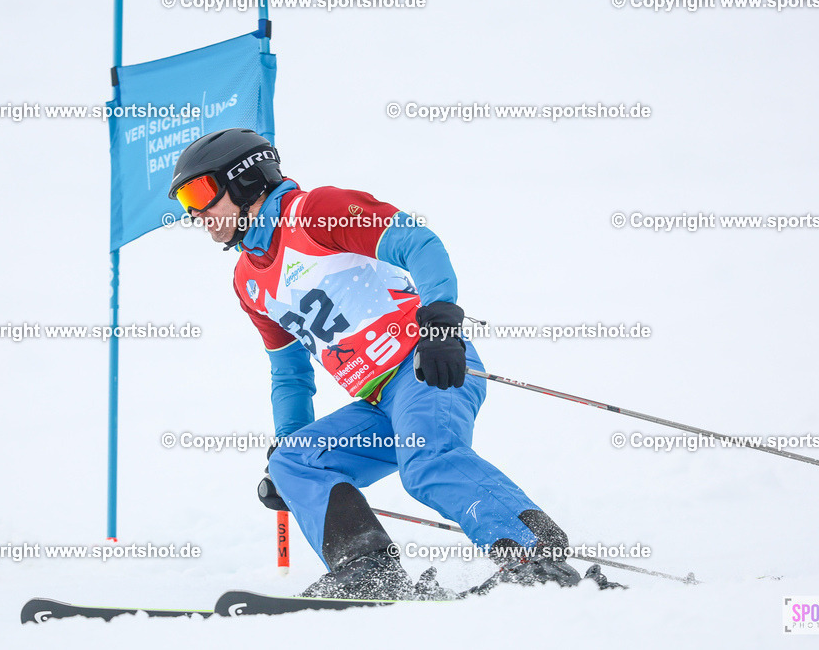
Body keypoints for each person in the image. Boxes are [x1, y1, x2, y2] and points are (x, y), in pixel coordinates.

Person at [168, 128, 580, 599]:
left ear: (245, 182)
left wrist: (440, 326)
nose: (194, 212)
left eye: (199, 192)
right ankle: (367, 570)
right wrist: (289, 440)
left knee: (425, 460)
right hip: (378, 401)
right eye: (185, 200)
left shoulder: (314, 212)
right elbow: (288, 371)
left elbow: (418, 242)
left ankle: (536, 557)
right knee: (294, 463)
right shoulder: (248, 281)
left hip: (424, 366)